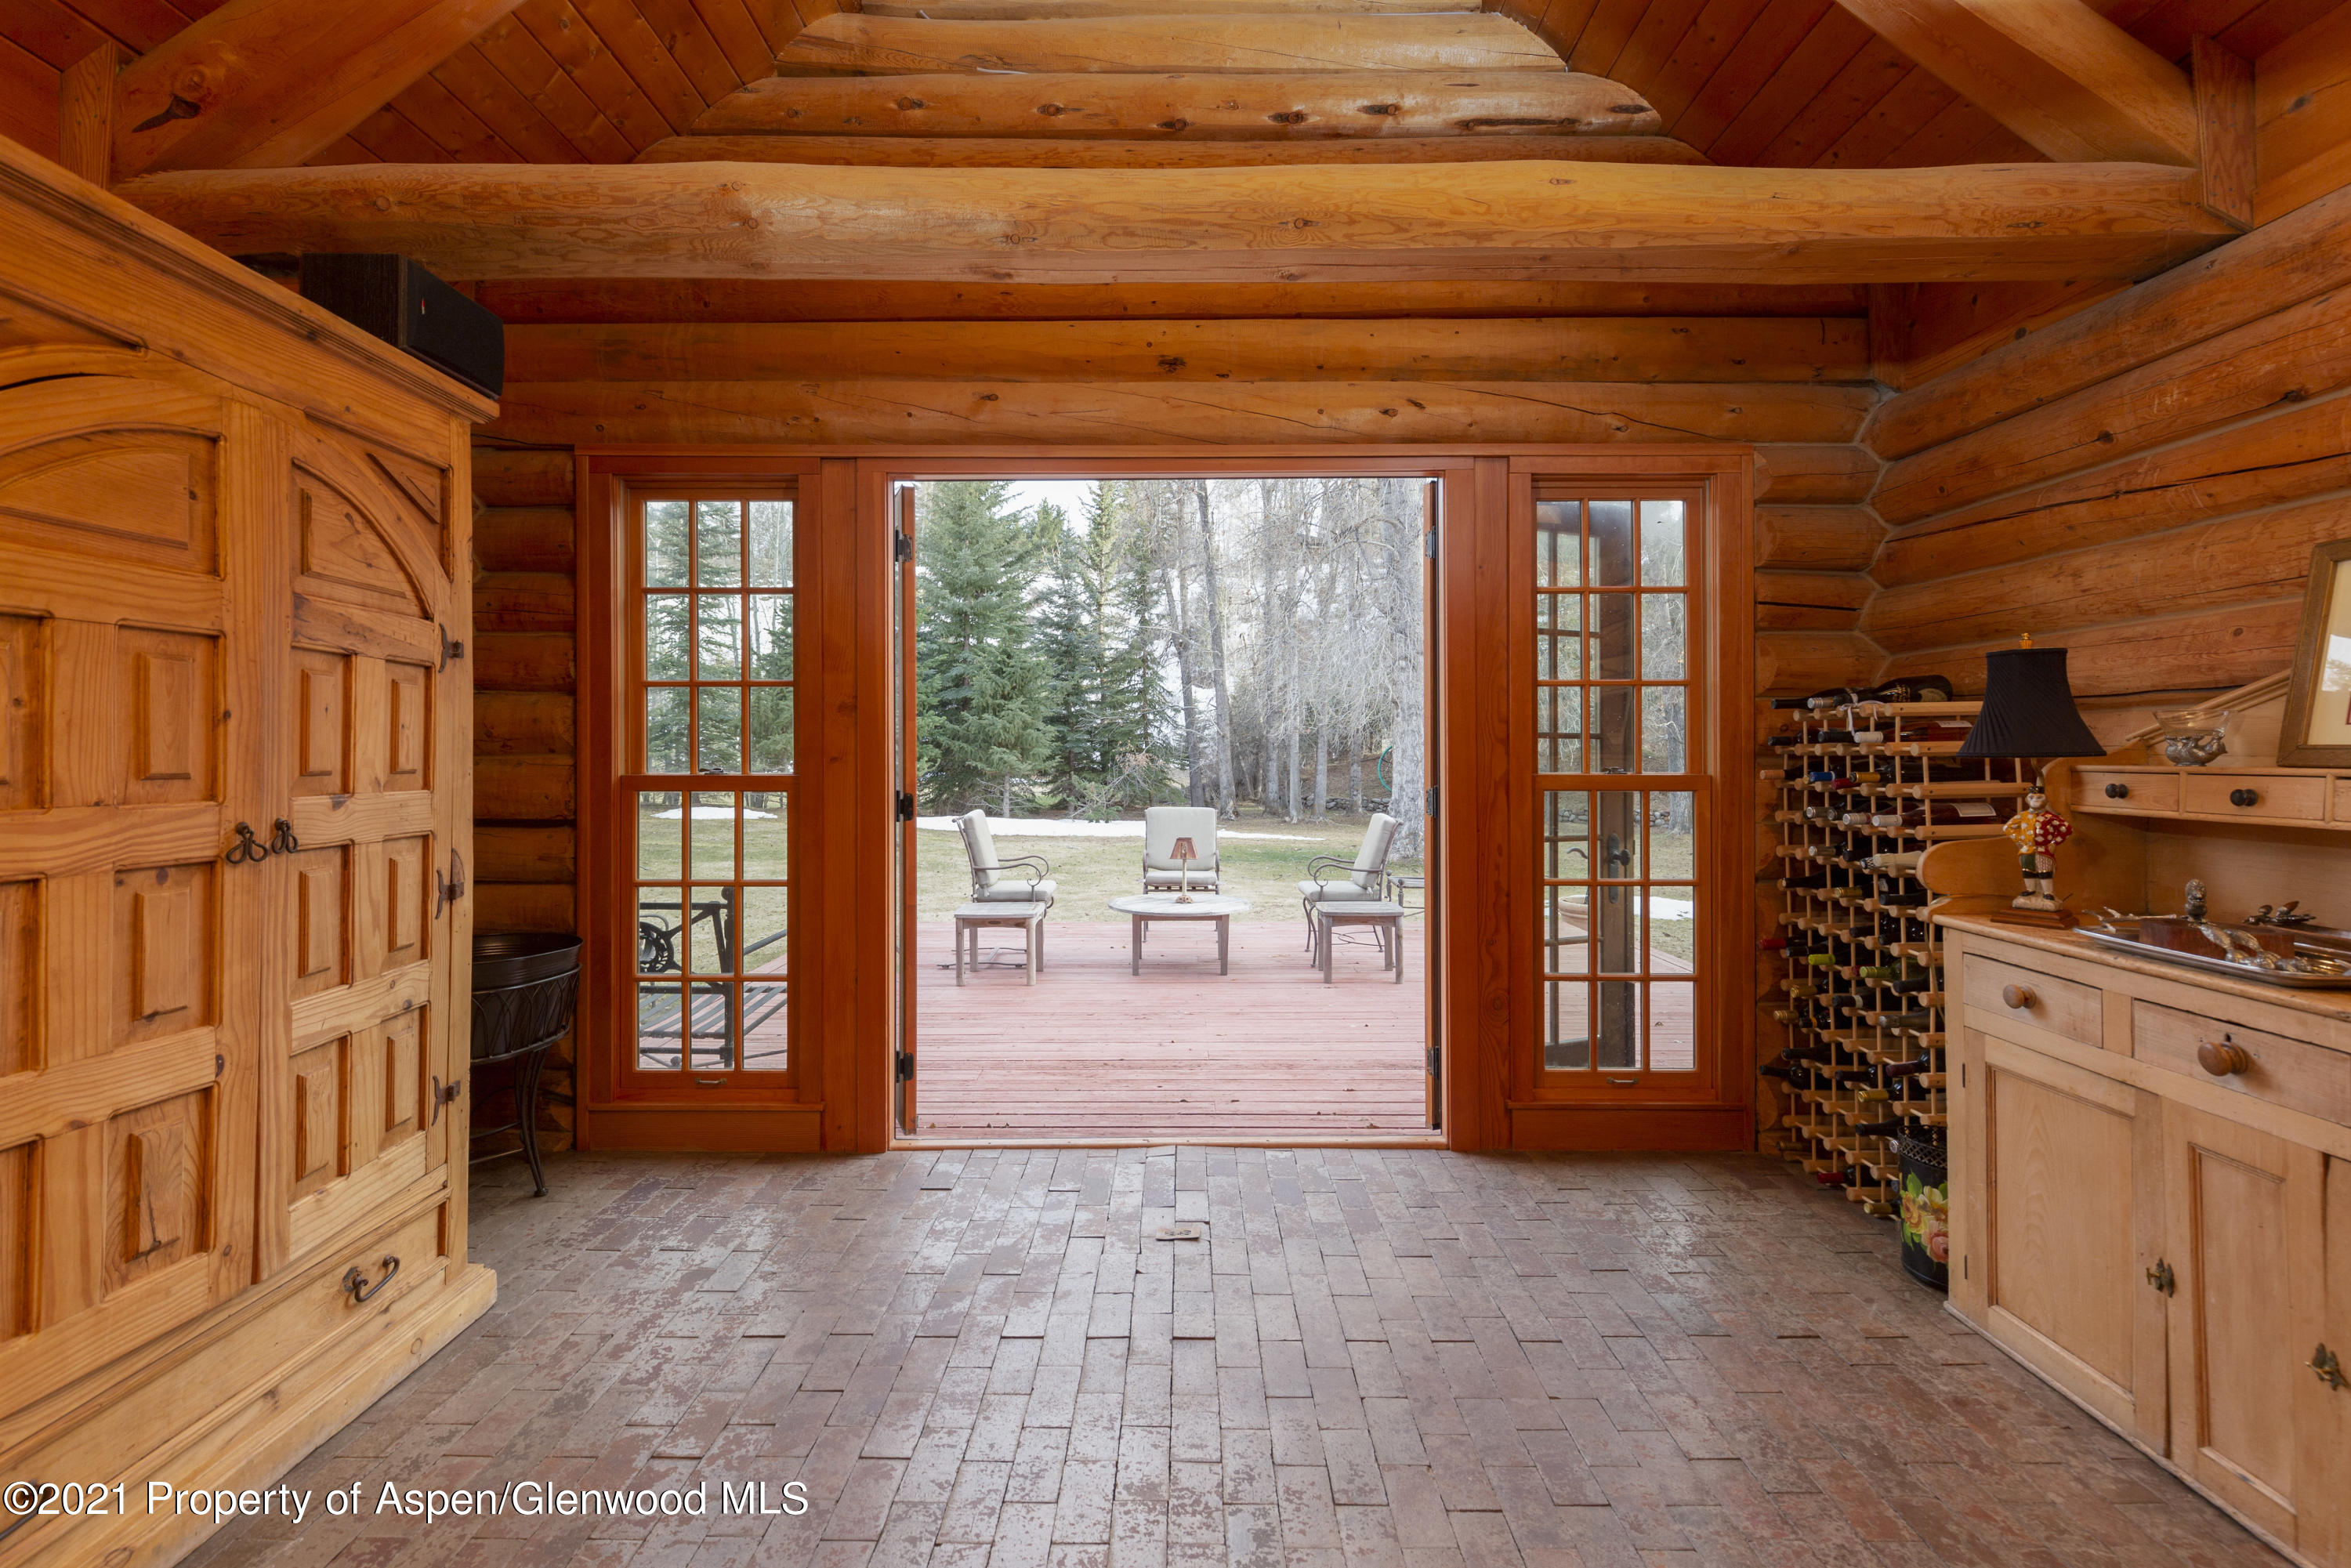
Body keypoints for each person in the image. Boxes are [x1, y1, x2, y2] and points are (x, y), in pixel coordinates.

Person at [2001, 780, 2072, 911]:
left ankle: (2048, 892)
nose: (2035, 800)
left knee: (2045, 871)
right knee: (2027, 870)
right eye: (2032, 797)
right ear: (2028, 799)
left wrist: (2054, 843)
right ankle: (2030, 890)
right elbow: (2007, 827)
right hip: (2027, 849)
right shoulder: (2023, 816)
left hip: (2043, 849)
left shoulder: (2050, 817)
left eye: (2039, 797)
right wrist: (2019, 839)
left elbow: (2067, 829)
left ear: (2045, 799)